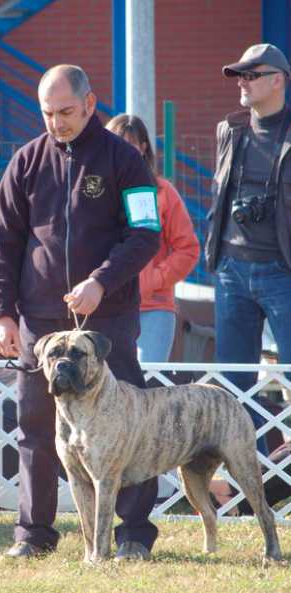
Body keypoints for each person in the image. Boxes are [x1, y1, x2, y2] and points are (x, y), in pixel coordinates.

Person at [0, 64, 161, 560]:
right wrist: (2, 313)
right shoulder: (25, 162)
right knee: (36, 429)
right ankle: (33, 535)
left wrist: (101, 282)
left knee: (129, 428)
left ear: (90, 103)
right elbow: (4, 244)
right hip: (40, 322)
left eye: (66, 111)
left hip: (106, 321)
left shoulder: (125, 159)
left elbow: (146, 234)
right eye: (48, 113)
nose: (57, 122)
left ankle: (132, 535)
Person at [205, 43, 291, 457]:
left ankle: (283, 475)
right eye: (239, 74)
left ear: (278, 80)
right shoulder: (230, 128)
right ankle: (250, 475)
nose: (242, 82)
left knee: (290, 376)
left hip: (283, 270)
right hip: (232, 270)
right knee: (234, 383)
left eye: (252, 74)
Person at [106, 114, 200, 363]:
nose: (124, 152)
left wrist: (154, 278)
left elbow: (187, 249)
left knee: (147, 386)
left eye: (131, 144)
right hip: (104, 308)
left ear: (144, 147)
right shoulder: (94, 194)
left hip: (154, 308)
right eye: (117, 144)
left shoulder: (164, 192)